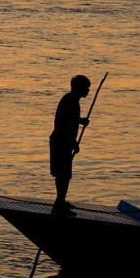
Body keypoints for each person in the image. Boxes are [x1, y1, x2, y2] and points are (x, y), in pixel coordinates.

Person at [49, 75, 90, 213]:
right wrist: (73, 143)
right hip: (61, 142)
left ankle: (60, 200)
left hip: (63, 141)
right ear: (79, 88)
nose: (88, 90)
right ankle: (59, 202)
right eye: (86, 87)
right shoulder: (71, 101)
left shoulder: (71, 100)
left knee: (64, 174)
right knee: (63, 174)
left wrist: (80, 120)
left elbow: (70, 119)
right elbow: (64, 124)